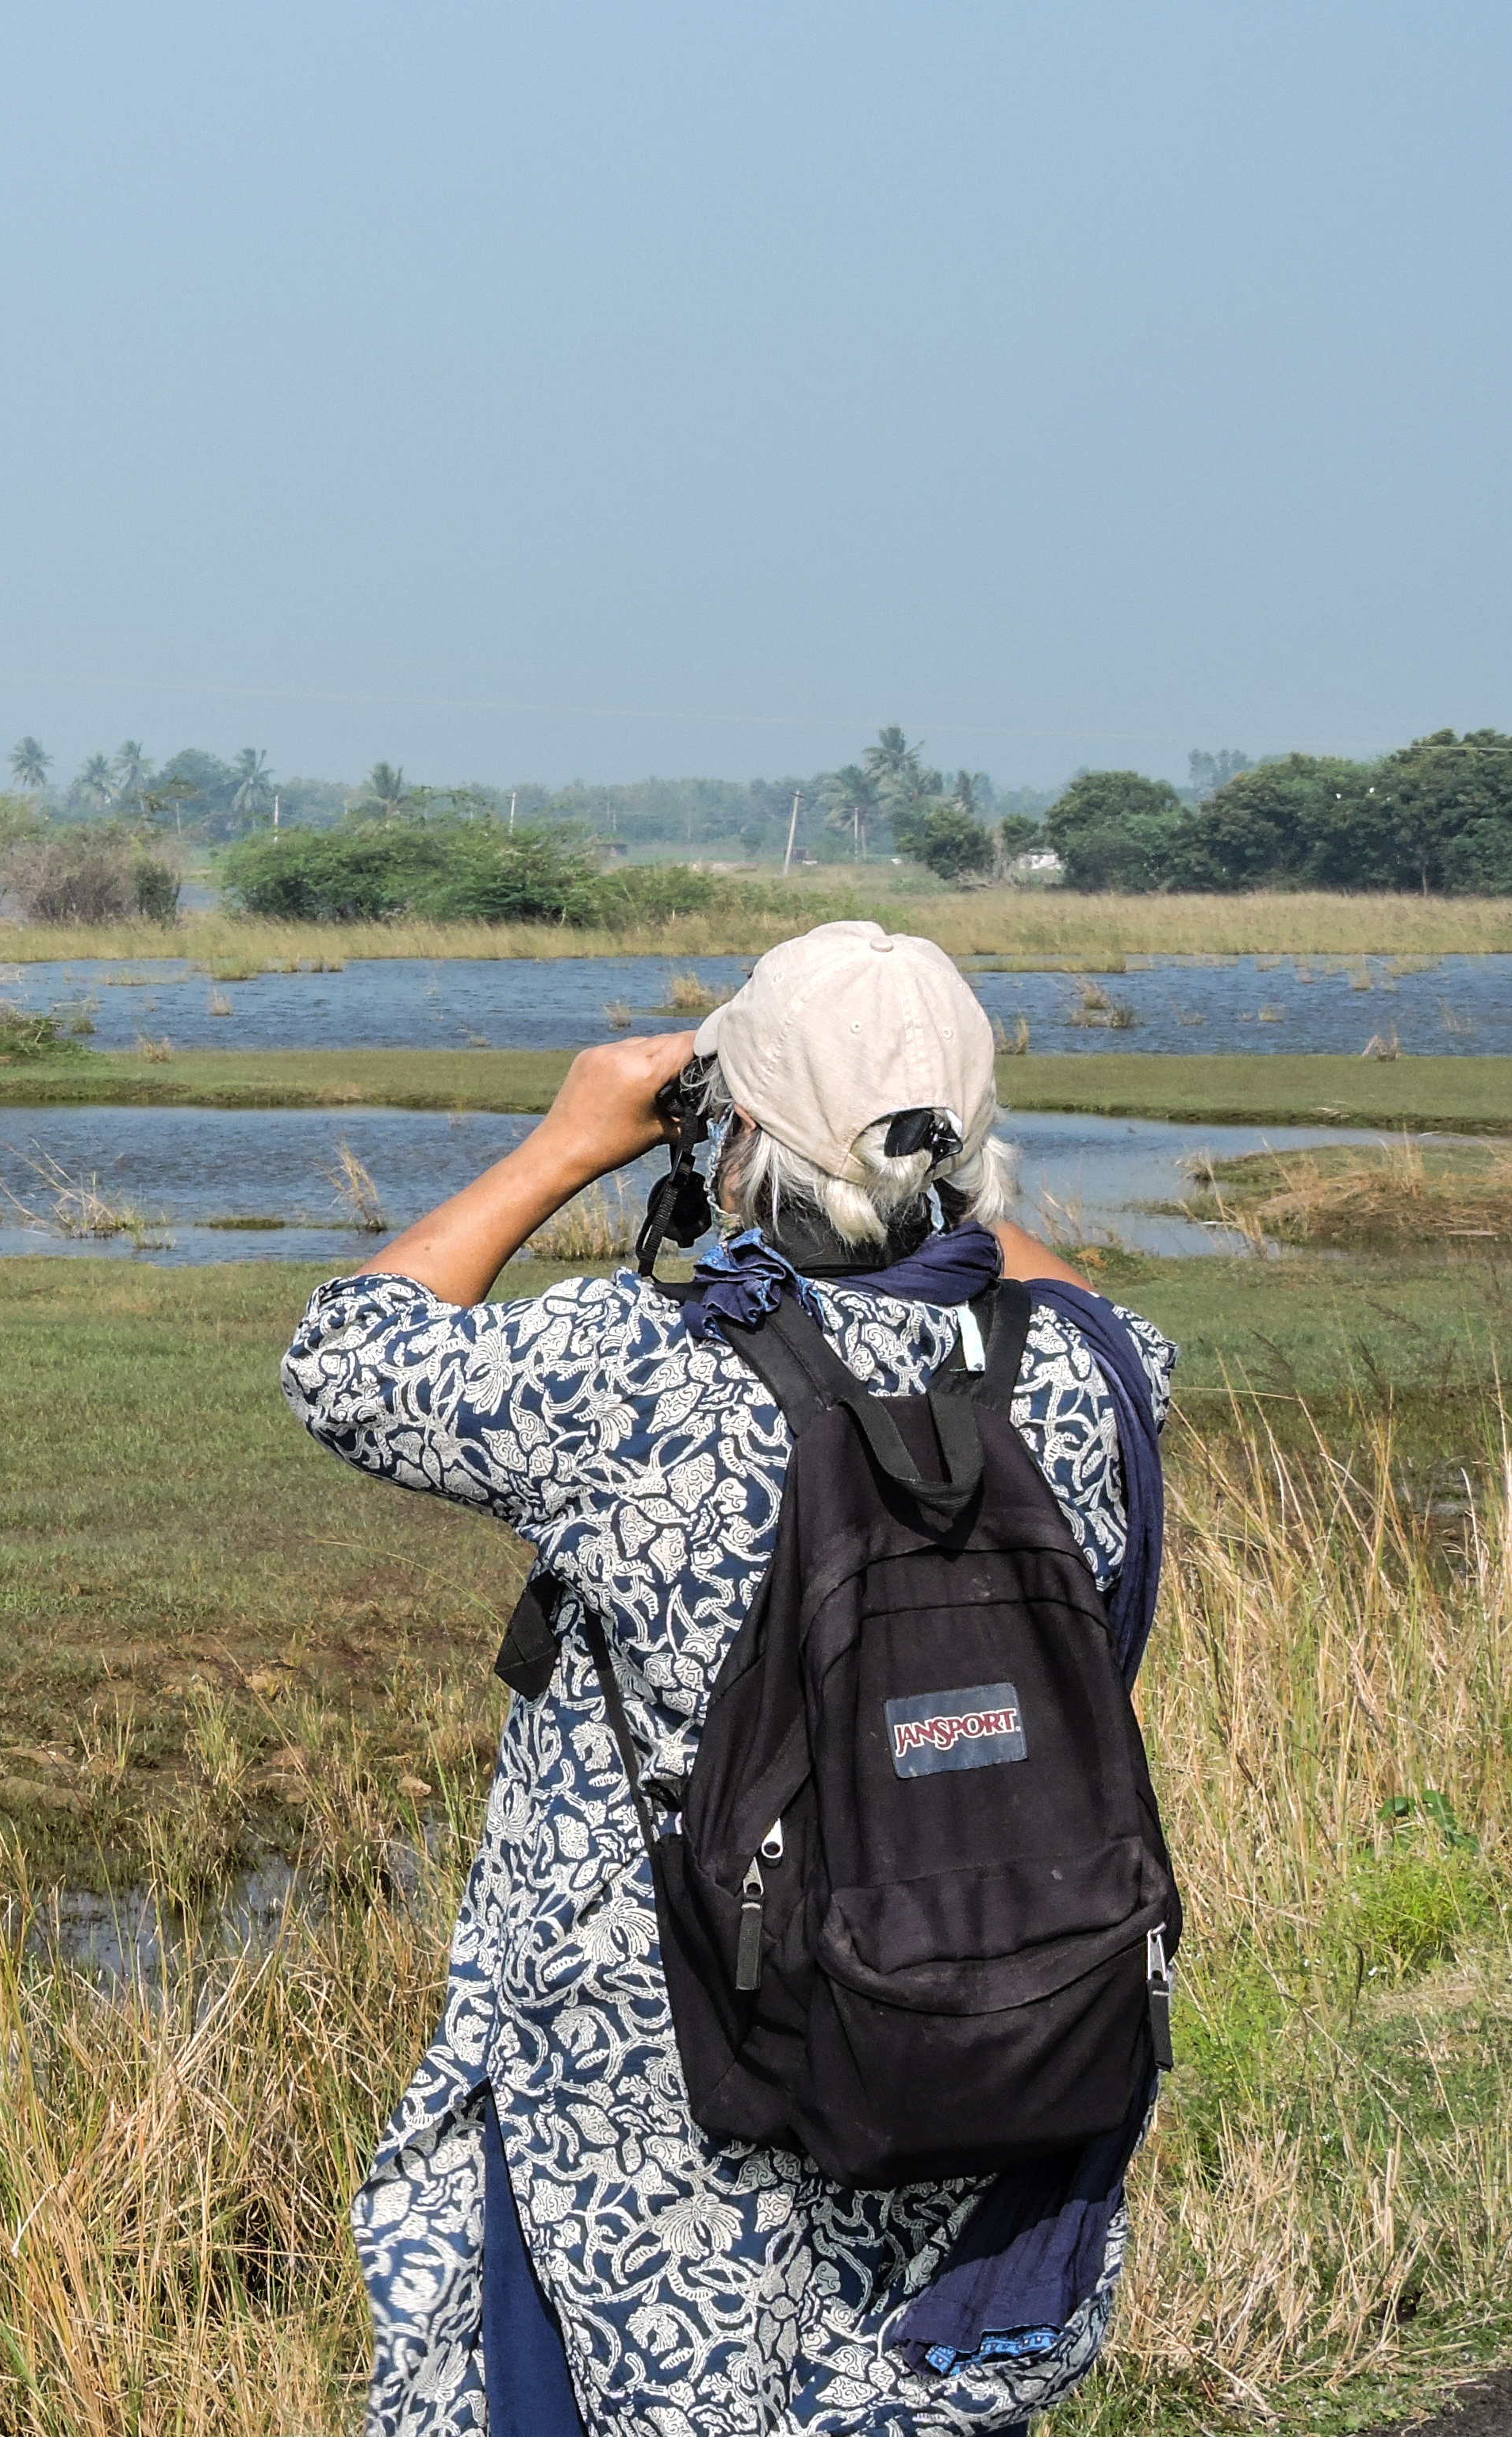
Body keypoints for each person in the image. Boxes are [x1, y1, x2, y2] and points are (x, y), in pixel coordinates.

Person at [282, 920, 1176, 2436]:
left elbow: (346, 1355)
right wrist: (933, 1176)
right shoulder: (1087, 1379)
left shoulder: (639, 1378)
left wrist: (573, 1142)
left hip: (665, 2080)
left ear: (737, 1134)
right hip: (982, 2028)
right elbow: (1094, 1315)